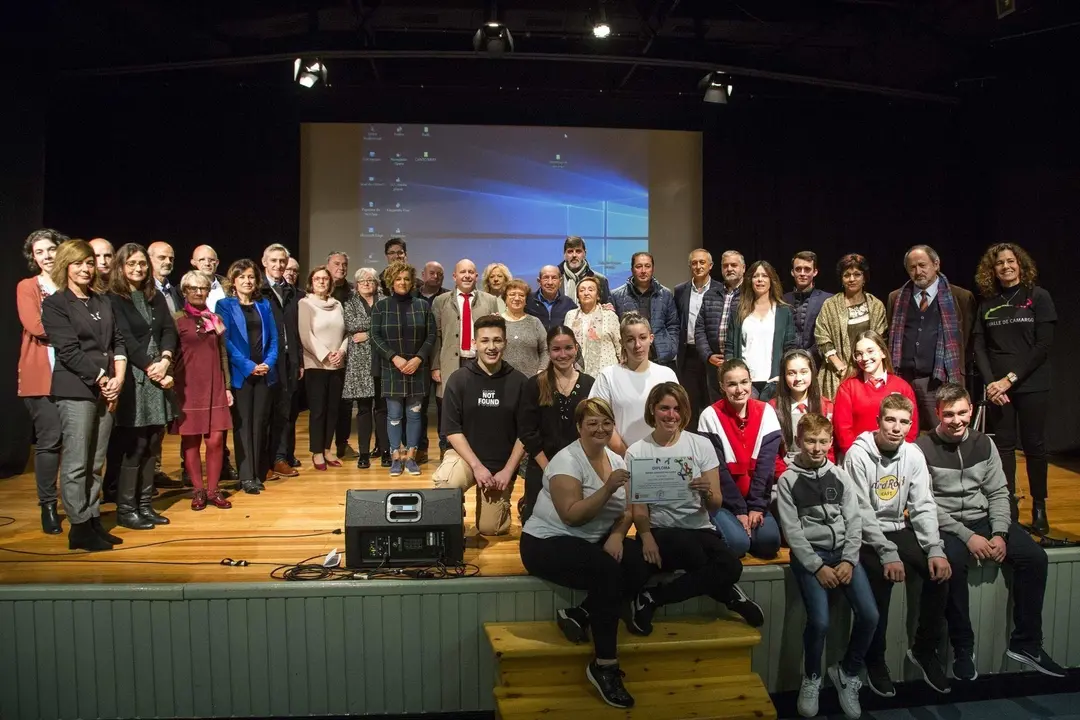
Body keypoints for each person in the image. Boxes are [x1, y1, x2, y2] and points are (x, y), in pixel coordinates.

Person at [920, 383, 1065, 680]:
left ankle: (1026, 643)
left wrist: (1000, 533)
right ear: (938, 413)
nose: (957, 420)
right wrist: (967, 536)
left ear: (971, 410)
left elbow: (999, 492)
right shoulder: (920, 448)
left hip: (983, 519)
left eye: (962, 413)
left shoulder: (984, 444)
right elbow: (924, 504)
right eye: (949, 414)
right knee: (952, 565)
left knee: (1035, 557)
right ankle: (963, 648)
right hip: (946, 524)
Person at [519, 398, 638, 709]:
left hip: (591, 541)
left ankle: (581, 613)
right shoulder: (566, 461)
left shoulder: (617, 460)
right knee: (608, 572)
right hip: (545, 542)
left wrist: (617, 536)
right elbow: (572, 516)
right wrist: (607, 488)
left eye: (606, 423)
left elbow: (629, 510)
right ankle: (605, 665)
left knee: (639, 558)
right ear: (579, 427)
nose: (600, 429)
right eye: (592, 423)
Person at [626, 383, 762, 637]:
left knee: (732, 567)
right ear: (652, 409)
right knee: (691, 549)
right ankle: (727, 594)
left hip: (700, 528)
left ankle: (654, 597)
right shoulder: (637, 451)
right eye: (664, 408)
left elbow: (715, 504)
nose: (671, 415)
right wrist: (646, 537)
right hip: (662, 530)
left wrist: (706, 492)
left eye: (677, 409)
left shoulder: (701, 445)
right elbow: (639, 508)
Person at [843, 393, 952, 697]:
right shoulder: (857, 455)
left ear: (911, 425)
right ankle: (875, 659)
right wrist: (887, 552)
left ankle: (924, 650)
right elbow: (860, 511)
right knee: (881, 580)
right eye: (890, 420)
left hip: (897, 527)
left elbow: (923, 504)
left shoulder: (913, 454)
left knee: (940, 573)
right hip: (864, 533)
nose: (896, 428)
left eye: (903, 422)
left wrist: (935, 547)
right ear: (878, 421)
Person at [777, 413, 876, 720]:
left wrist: (849, 559)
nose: (817, 448)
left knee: (870, 615)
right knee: (819, 622)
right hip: (812, 556)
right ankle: (812, 677)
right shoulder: (788, 480)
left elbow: (854, 520)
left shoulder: (840, 475)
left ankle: (847, 672)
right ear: (798, 441)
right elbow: (792, 532)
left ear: (831, 442)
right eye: (810, 441)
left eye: (822, 441)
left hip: (843, 554)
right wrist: (817, 567)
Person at [41, 239, 127, 552]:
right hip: (77, 389)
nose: (86, 269)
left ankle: (92, 519)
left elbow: (117, 341)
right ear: (66, 266)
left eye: (89, 263)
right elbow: (68, 351)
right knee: (77, 462)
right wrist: (103, 378)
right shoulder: (56, 304)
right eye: (78, 263)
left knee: (95, 461)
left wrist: (118, 379)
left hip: (107, 388)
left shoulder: (102, 301)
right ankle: (78, 527)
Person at [973, 242, 1056, 532]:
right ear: (992, 270)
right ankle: (1007, 506)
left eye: (1011, 261)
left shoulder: (1038, 296)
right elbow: (979, 347)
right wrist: (991, 384)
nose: (1006, 266)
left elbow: (1043, 346)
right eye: (999, 263)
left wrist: (1009, 379)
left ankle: (1039, 506)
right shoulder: (987, 303)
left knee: (1034, 446)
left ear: (1020, 265)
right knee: (1004, 447)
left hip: (1031, 383)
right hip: (998, 390)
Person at [433, 314, 527, 535]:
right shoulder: (458, 379)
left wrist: (508, 471)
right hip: (465, 458)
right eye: (485, 341)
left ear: (505, 343)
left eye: (497, 340)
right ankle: (455, 513)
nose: (491, 347)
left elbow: (525, 433)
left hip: (500, 466)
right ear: (475, 343)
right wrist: (476, 466)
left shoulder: (520, 382)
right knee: (446, 485)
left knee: (491, 529)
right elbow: (452, 430)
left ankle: (512, 506)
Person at [108, 243, 178, 530]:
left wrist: (165, 359)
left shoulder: (155, 296)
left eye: (142, 264)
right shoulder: (114, 298)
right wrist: (152, 368)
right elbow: (124, 338)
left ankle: (146, 505)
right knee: (134, 444)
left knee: (152, 442)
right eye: (132, 263)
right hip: (136, 376)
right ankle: (126, 509)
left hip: (158, 371)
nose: (138, 268)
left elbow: (168, 330)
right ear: (121, 267)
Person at [697, 359, 783, 559]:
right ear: (722, 386)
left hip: (755, 498)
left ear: (751, 382)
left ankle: (746, 529)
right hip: (725, 501)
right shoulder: (710, 416)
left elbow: (765, 468)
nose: (739, 390)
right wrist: (739, 510)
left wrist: (756, 507)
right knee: (738, 545)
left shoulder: (766, 412)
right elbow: (718, 472)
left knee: (769, 543)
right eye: (732, 384)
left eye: (744, 382)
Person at [886, 245, 976, 431]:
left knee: (944, 433)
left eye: (922, 265)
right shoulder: (896, 298)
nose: (918, 271)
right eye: (912, 267)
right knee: (904, 433)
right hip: (904, 379)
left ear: (936, 264)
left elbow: (968, 340)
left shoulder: (961, 297)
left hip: (939, 381)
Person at [517, 326, 595, 522]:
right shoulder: (534, 384)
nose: (563, 354)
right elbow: (527, 431)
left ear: (576, 348)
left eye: (568, 348)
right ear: (548, 351)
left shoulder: (590, 384)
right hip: (543, 466)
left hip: (581, 468)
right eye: (556, 349)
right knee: (536, 524)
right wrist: (549, 470)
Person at [18, 228, 67, 534]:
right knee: (50, 440)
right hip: (42, 374)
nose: (47, 256)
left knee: (77, 441)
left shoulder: (73, 283)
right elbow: (36, 326)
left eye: (51, 249)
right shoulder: (28, 286)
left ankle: (78, 502)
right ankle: (48, 505)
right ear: (33, 258)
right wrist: (74, 331)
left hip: (75, 373)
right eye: (40, 252)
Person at [171, 271, 233, 511]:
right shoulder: (176, 319)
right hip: (187, 386)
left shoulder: (215, 318)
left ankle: (213, 490)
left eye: (203, 288)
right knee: (191, 441)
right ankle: (198, 490)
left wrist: (227, 386)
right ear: (184, 291)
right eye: (193, 288)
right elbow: (171, 352)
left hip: (215, 384)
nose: (198, 292)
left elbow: (223, 353)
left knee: (216, 440)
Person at [217, 259, 278, 495]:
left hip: (263, 373)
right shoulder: (224, 305)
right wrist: (249, 366)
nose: (247, 281)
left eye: (251, 277)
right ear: (233, 281)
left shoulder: (264, 305)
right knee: (243, 425)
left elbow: (274, 339)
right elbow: (225, 341)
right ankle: (246, 476)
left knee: (259, 424)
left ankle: (256, 473)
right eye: (242, 277)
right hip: (241, 374)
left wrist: (267, 363)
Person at [371, 261, 436, 476]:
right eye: (398, 278)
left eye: (407, 279)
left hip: (417, 369)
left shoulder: (422, 306)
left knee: (415, 415)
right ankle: (395, 458)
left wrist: (419, 358)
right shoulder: (381, 306)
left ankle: (411, 457)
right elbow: (375, 336)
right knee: (394, 415)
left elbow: (431, 335)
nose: (403, 282)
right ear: (391, 281)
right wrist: (394, 358)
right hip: (392, 369)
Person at [431, 259, 499, 458]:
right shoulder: (441, 301)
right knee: (448, 407)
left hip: (479, 363)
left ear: (476, 276)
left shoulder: (489, 300)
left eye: (471, 272)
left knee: (479, 406)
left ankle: (476, 450)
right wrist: (435, 366)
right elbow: (436, 336)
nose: (467, 275)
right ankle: (447, 451)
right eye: (463, 272)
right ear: (455, 276)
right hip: (451, 362)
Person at [588, 312, 678, 455]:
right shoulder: (608, 376)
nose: (637, 345)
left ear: (651, 338)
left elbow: (678, 418)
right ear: (622, 343)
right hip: (620, 458)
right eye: (630, 339)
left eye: (642, 338)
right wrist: (627, 456)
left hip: (662, 458)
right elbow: (599, 420)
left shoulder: (667, 375)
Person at [814, 253, 887, 400]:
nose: (851, 279)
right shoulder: (830, 305)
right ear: (841, 279)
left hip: (870, 370)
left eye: (857, 274)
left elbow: (880, 339)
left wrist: (866, 364)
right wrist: (841, 367)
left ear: (864, 278)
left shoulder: (876, 305)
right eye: (847, 275)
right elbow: (822, 337)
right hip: (837, 374)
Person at [833, 331, 919, 455]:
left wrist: (898, 455)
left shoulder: (902, 387)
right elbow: (843, 431)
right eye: (859, 354)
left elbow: (912, 427)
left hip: (896, 457)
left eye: (870, 351)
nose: (864, 358)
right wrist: (858, 456)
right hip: (860, 457)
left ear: (883, 352)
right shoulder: (848, 388)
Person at [724, 260, 796, 401]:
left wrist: (783, 374)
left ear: (771, 280)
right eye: (756, 276)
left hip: (774, 381)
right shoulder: (738, 311)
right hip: (745, 382)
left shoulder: (783, 311)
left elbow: (790, 347)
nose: (760, 280)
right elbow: (730, 347)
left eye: (764, 276)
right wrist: (733, 374)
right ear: (750, 280)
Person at [299, 266, 348, 471]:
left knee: (333, 410)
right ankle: (317, 451)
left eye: (325, 279)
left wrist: (341, 352)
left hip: (337, 364)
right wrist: (326, 355)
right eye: (317, 278)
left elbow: (346, 332)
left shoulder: (337, 304)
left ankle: (328, 449)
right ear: (311, 282)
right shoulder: (305, 303)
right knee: (318, 411)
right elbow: (305, 335)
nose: (321, 282)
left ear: (330, 283)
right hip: (316, 364)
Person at [262, 243, 302, 478]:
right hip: (266, 360)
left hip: (289, 359)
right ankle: (262, 462)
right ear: (264, 262)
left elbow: (295, 330)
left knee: (284, 412)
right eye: (274, 261)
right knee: (264, 412)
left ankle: (279, 458)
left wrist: (299, 361)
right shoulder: (258, 290)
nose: (278, 265)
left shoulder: (291, 292)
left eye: (282, 261)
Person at [341, 267, 386, 469]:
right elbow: (352, 325)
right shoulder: (349, 303)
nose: (366, 284)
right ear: (356, 285)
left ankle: (384, 450)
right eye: (362, 281)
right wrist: (376, 328)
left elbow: (387, 325)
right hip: (359, 364)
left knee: (383, 408)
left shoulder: (385, 301)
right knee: (364, 409)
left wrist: (367, 334)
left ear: (377, 283)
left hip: (382, 360)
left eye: (370, 280)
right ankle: (364, 453)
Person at [770, 349, 834, 478]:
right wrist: (787, 475)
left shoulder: (826, 407)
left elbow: (831, 449)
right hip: (787, 475)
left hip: (820, 473)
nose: (798, 378)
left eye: (804, 372)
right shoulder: (772, 408)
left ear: (812, 373)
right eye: (791, 373)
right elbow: (771, 453)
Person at [610, 252, 680, 368]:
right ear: (632, 269)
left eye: (647, 266)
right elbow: (615, 329)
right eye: (639, 266)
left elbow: (673, 325)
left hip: (662, 359)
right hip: (631, 359)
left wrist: (671, 348)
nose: (643, 271)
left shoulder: (665, 294)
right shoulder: (616, 296)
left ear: (653, 269)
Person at [693, 250, 745, 401]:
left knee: (740, 405)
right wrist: (708, 355)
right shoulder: (710, 294)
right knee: (718, 407)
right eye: (725, 266)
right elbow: (700, 329)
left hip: (741, 364)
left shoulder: (750, 295)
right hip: (714, 365)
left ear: (743, 268)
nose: (729, 269)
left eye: (734, 265)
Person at [674, 248, 715, 426]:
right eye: (694, 263)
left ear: (710, 265)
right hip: (688, 354)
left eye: (702, 262)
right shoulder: (680, 290)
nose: (698, 266)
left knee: (711, 401)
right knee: (689, 403)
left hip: (712, 355)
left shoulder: (720, 289)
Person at [564, 276, 622, 376]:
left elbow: (620, 347)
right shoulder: (570, 315)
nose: (586, 293)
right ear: (578, 296)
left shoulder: (609, 316)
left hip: (606, 374)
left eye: (590, 290)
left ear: (598, 295)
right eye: (582, 290)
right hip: (576, 376)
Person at [783, 251, 831, 368]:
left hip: (818, 365)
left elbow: (829, 334)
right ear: (792, 272)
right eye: (798, 269)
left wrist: (808, 355)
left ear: (815, 272)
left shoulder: (827, 300)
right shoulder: (783, 300)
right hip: (787, 364)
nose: (802, 273)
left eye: (807, 269)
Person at [500, 279, 547, 377]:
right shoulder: (497, 322)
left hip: (532, 380)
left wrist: (541, 371)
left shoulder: (535, 322)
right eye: (512, 294)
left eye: (521, 295)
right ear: (505, 299)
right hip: (503, 379)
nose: (517, 298)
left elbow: (545, 349)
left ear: (526, 300)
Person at [558, 235, 612, 306]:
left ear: (585, 253)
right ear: (565, 255)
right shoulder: (555, 278)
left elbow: (607, 307)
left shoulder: (600, 280)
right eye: (570, 251)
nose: (574, 255)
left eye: (578, 251)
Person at [526, 264, 577, 330]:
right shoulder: (528, 301)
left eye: (554, 278)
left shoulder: (568, 303)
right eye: (546, 278)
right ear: (539, 281)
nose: (550, 282)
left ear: (560, 282)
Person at [191, 244, 227, 311]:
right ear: (193, 262)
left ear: (217, 262)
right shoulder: (183, 289)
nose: (207, 263)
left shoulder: (229, 285)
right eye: (202, 259)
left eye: (211, 260)